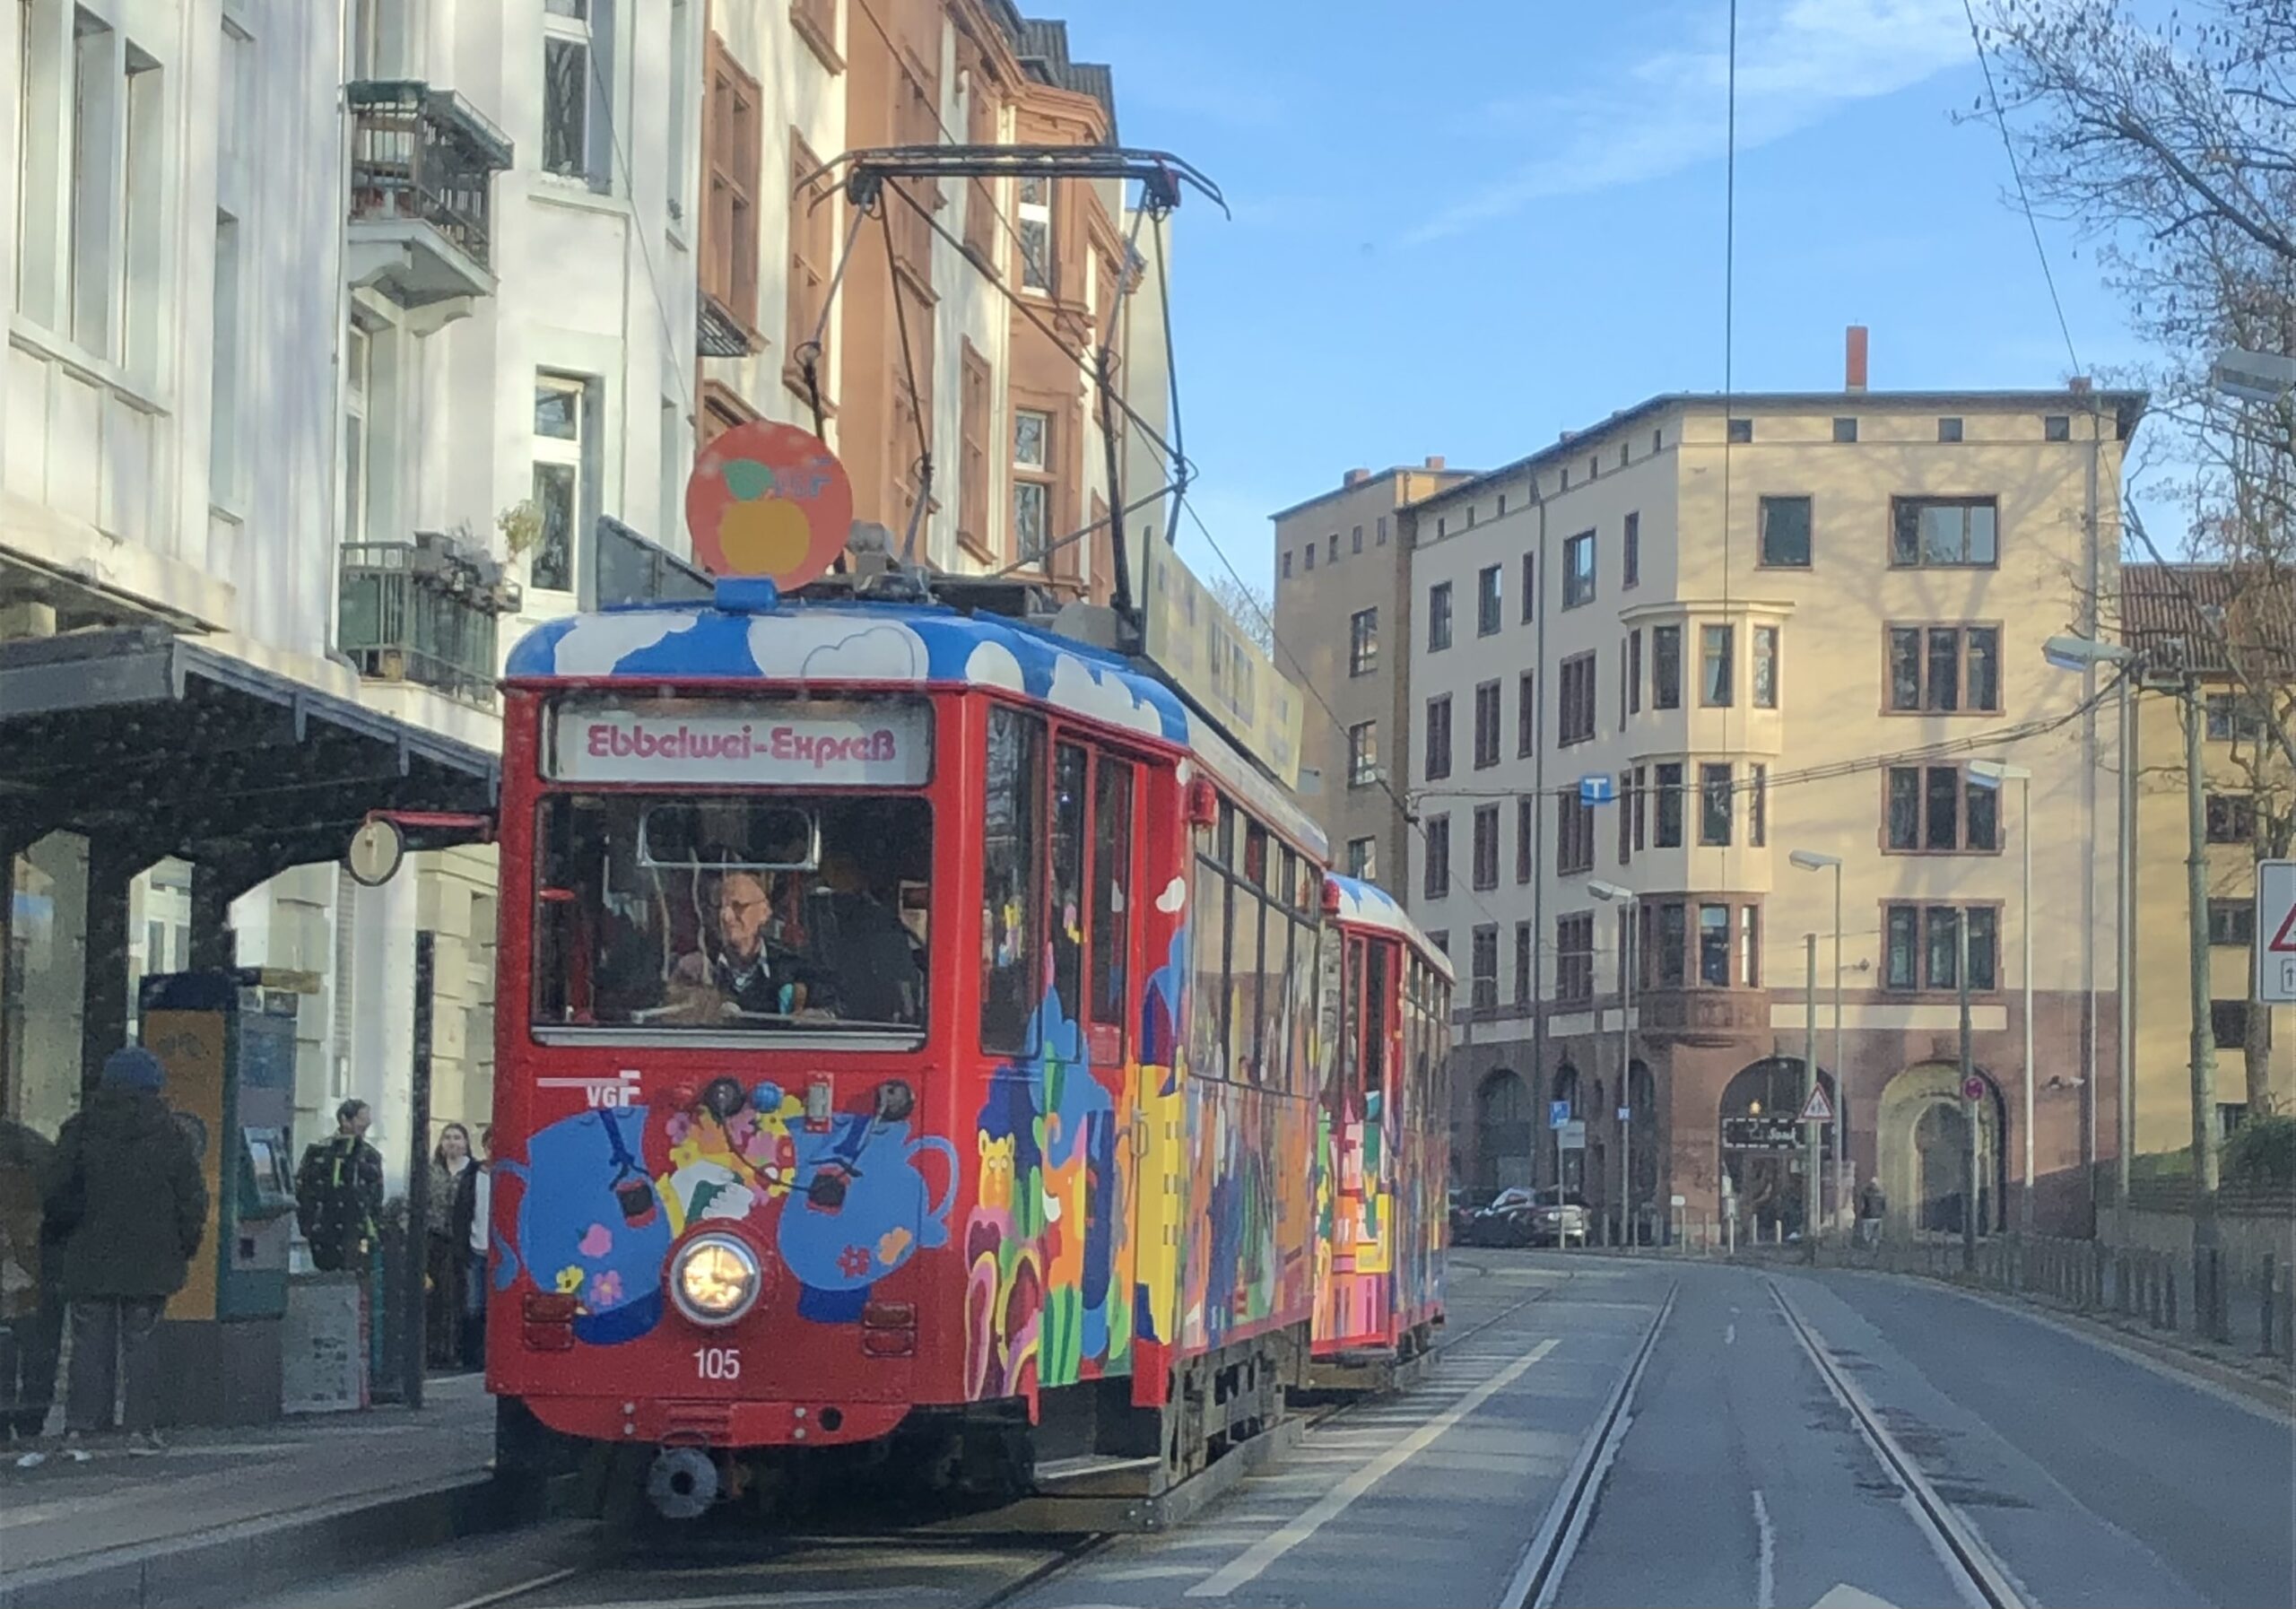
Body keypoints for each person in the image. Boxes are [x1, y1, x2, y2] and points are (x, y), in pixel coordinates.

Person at [42, 1047, 205, 1443]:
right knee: (142, 1342)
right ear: (154, 1087)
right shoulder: (171, 1135)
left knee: (88, 1343)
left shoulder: (80, 1128)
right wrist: (184, 1245)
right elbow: (192, 1200)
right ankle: (140, 1428)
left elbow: (56, 1191)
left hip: (89, 1254)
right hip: (152, 1257)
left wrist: (63, 1237)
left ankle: (82, 1426)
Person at [674, 867, 814, 1017]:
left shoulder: (794, 969)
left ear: (764, 912)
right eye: (718, 906)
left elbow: (823, 1015)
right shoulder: (695, 969)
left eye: (738, 906)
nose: (726, 916)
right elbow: (670, 1017)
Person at [0, 1116, 64, 1439]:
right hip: (39, 1265)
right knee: (40, 1347)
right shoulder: (39, 1150)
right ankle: (31, 1419)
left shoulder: (33, 1151)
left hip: (21, 1265)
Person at [808, 848, 924, 1025]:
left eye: (841, 868)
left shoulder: (879, 921)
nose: (834, 877)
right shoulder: (816, 910)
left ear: (859, 875)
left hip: (875, 1021)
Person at [297, 1100, 385, 1275]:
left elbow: (376, 1197)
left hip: (356, 1234)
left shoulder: (371, 1156)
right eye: (362, 1118)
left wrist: (371, 1228)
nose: (366, 1123)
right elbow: (304, 1190)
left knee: (357, 1279)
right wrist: (310, 1226)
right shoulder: (319, 1151)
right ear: (345, 1120)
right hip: (324, 1234)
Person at [425, 1124, 474, 1370]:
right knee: (435, 1298)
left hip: (464, 1241)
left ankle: (456, 1350)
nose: (452, 1142)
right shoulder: (430, 1171)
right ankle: (434, 1351)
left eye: (457, 1138)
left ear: (466, 1143)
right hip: (434, 1240)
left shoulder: (473, 1172)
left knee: (459, 1297)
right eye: (447, 1138)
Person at [453, 1126, 491, 1371]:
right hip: (475, 1247)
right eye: (490, 1145)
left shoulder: (512, 1175)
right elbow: (461, 1212)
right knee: (473, 1305)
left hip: (501, 1253)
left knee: (493, 1307)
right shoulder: (472, 1176)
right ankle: (471, 1356)